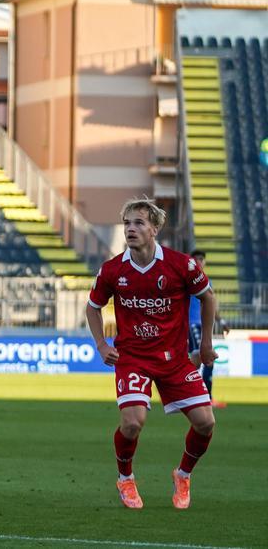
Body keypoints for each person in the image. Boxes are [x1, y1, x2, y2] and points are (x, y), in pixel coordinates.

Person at [86, 197, 217, 510]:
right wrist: (102, 345)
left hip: (174, 360)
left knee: (206, 423)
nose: (131, 229)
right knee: (133, 422)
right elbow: (93, 308)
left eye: (139, 223)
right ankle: (125, 478)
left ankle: (183, 474)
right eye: (127, 223)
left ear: (155, 228)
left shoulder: (181, 265)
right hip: (132, 358)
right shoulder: (112, 270)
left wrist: (206, 344)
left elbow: (208, 298)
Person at [186, 250, 225, 408]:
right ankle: (192, 396)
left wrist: (220, 320)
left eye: (202, 259)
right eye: (196, 259)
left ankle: (203, 397)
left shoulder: (206, 281)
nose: (200, 262)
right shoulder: (186, 279)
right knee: (199, 359)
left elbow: (210, 303)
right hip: (192, 324)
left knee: (204, 361)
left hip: (203, 325)